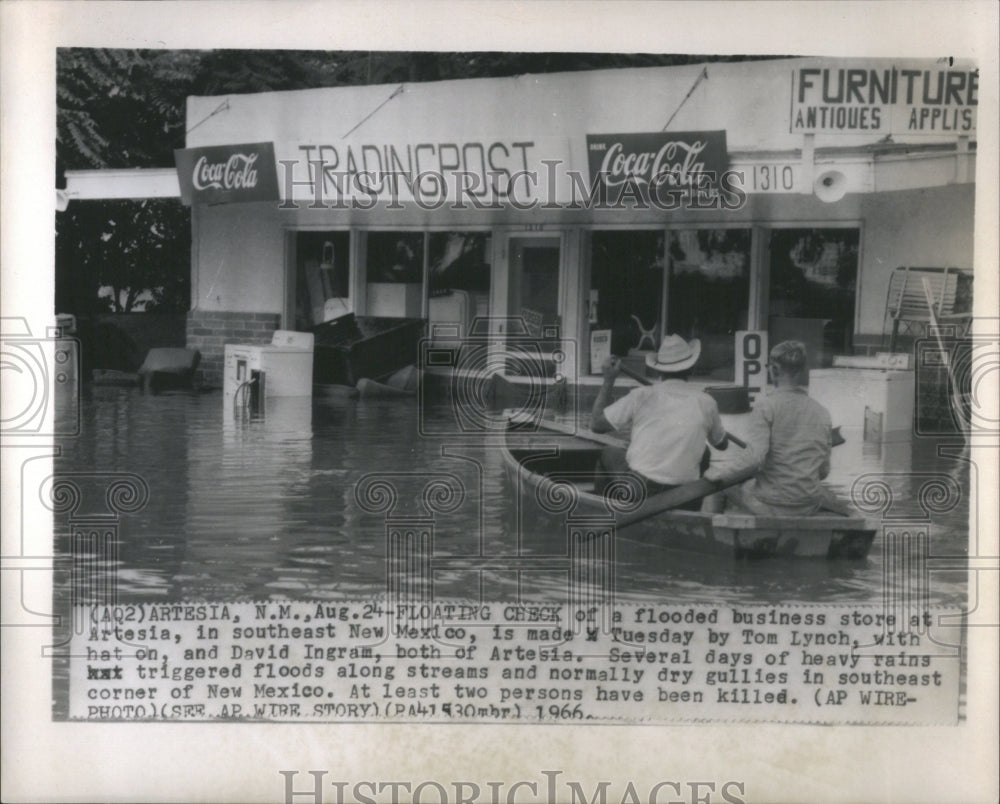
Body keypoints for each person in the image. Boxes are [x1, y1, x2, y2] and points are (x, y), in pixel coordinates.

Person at [591, 334, 727, 511]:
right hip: (685, 495)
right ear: (691, 369)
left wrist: (609, 379)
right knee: (705, 452)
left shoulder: (641, 394)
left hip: (641, 491)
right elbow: (722, 445)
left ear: (659, 371)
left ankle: (604, 512)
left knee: (607, 453)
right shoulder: (707, 401)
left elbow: (596, 424)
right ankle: (688, 512)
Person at [704, 340, 837, 516]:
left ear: (774, 369)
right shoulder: (822, 412)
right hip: (807, 504)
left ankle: (707, 536)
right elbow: (823, 472)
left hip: (771, 504)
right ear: (802, 370)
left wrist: (718, 474)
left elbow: (754, 460)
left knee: (717, 487)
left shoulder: (765, 406)